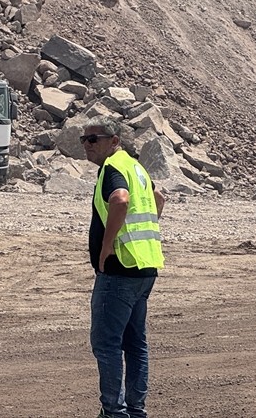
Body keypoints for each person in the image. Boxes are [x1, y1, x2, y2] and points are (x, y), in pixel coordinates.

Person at [81, 117, 165, 418]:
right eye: (84, 140)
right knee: (135, 344)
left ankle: (114, 412)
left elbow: (120, 200)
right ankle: (135, 410)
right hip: (145, 267)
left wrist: (106, 246)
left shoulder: (113, 168)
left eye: (94, 140)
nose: (87, 146)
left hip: (120, 270)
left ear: (114, 141)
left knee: (107, 345)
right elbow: (158, 198)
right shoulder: (136, 167)